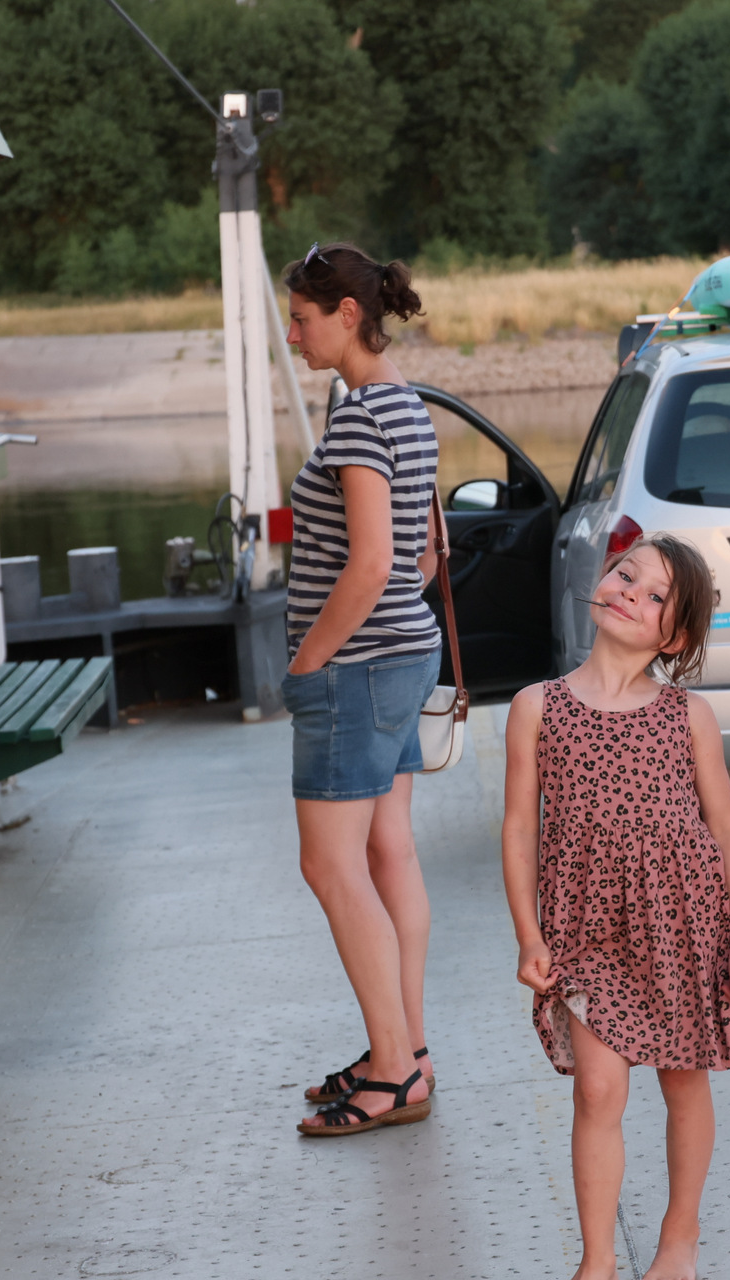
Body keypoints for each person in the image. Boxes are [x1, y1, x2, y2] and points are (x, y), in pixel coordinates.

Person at [502, 534, 730, 1280]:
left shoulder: (687, 715)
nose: (629, 592)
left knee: (684, 1081)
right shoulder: (536, 707)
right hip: (584, 929)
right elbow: (520, 829)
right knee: (598, 1089)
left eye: (655, 597)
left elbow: (728, 831)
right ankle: (598, 1260)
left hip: (681, 925)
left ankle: (680, 1235)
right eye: (625, 574)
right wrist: (528, 935)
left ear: (673, 638)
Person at [282, 242, 441, 1136]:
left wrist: (310, 659)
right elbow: (424, 554)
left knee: (331, 864)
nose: (294, 335)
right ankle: (405, 1047)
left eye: (302, 319)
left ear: (348, 314)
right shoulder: (405, 405)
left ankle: (392, 1068)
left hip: (355, 669)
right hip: (403, 656)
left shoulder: (355, 421)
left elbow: (375, 561)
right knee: (389, 853)